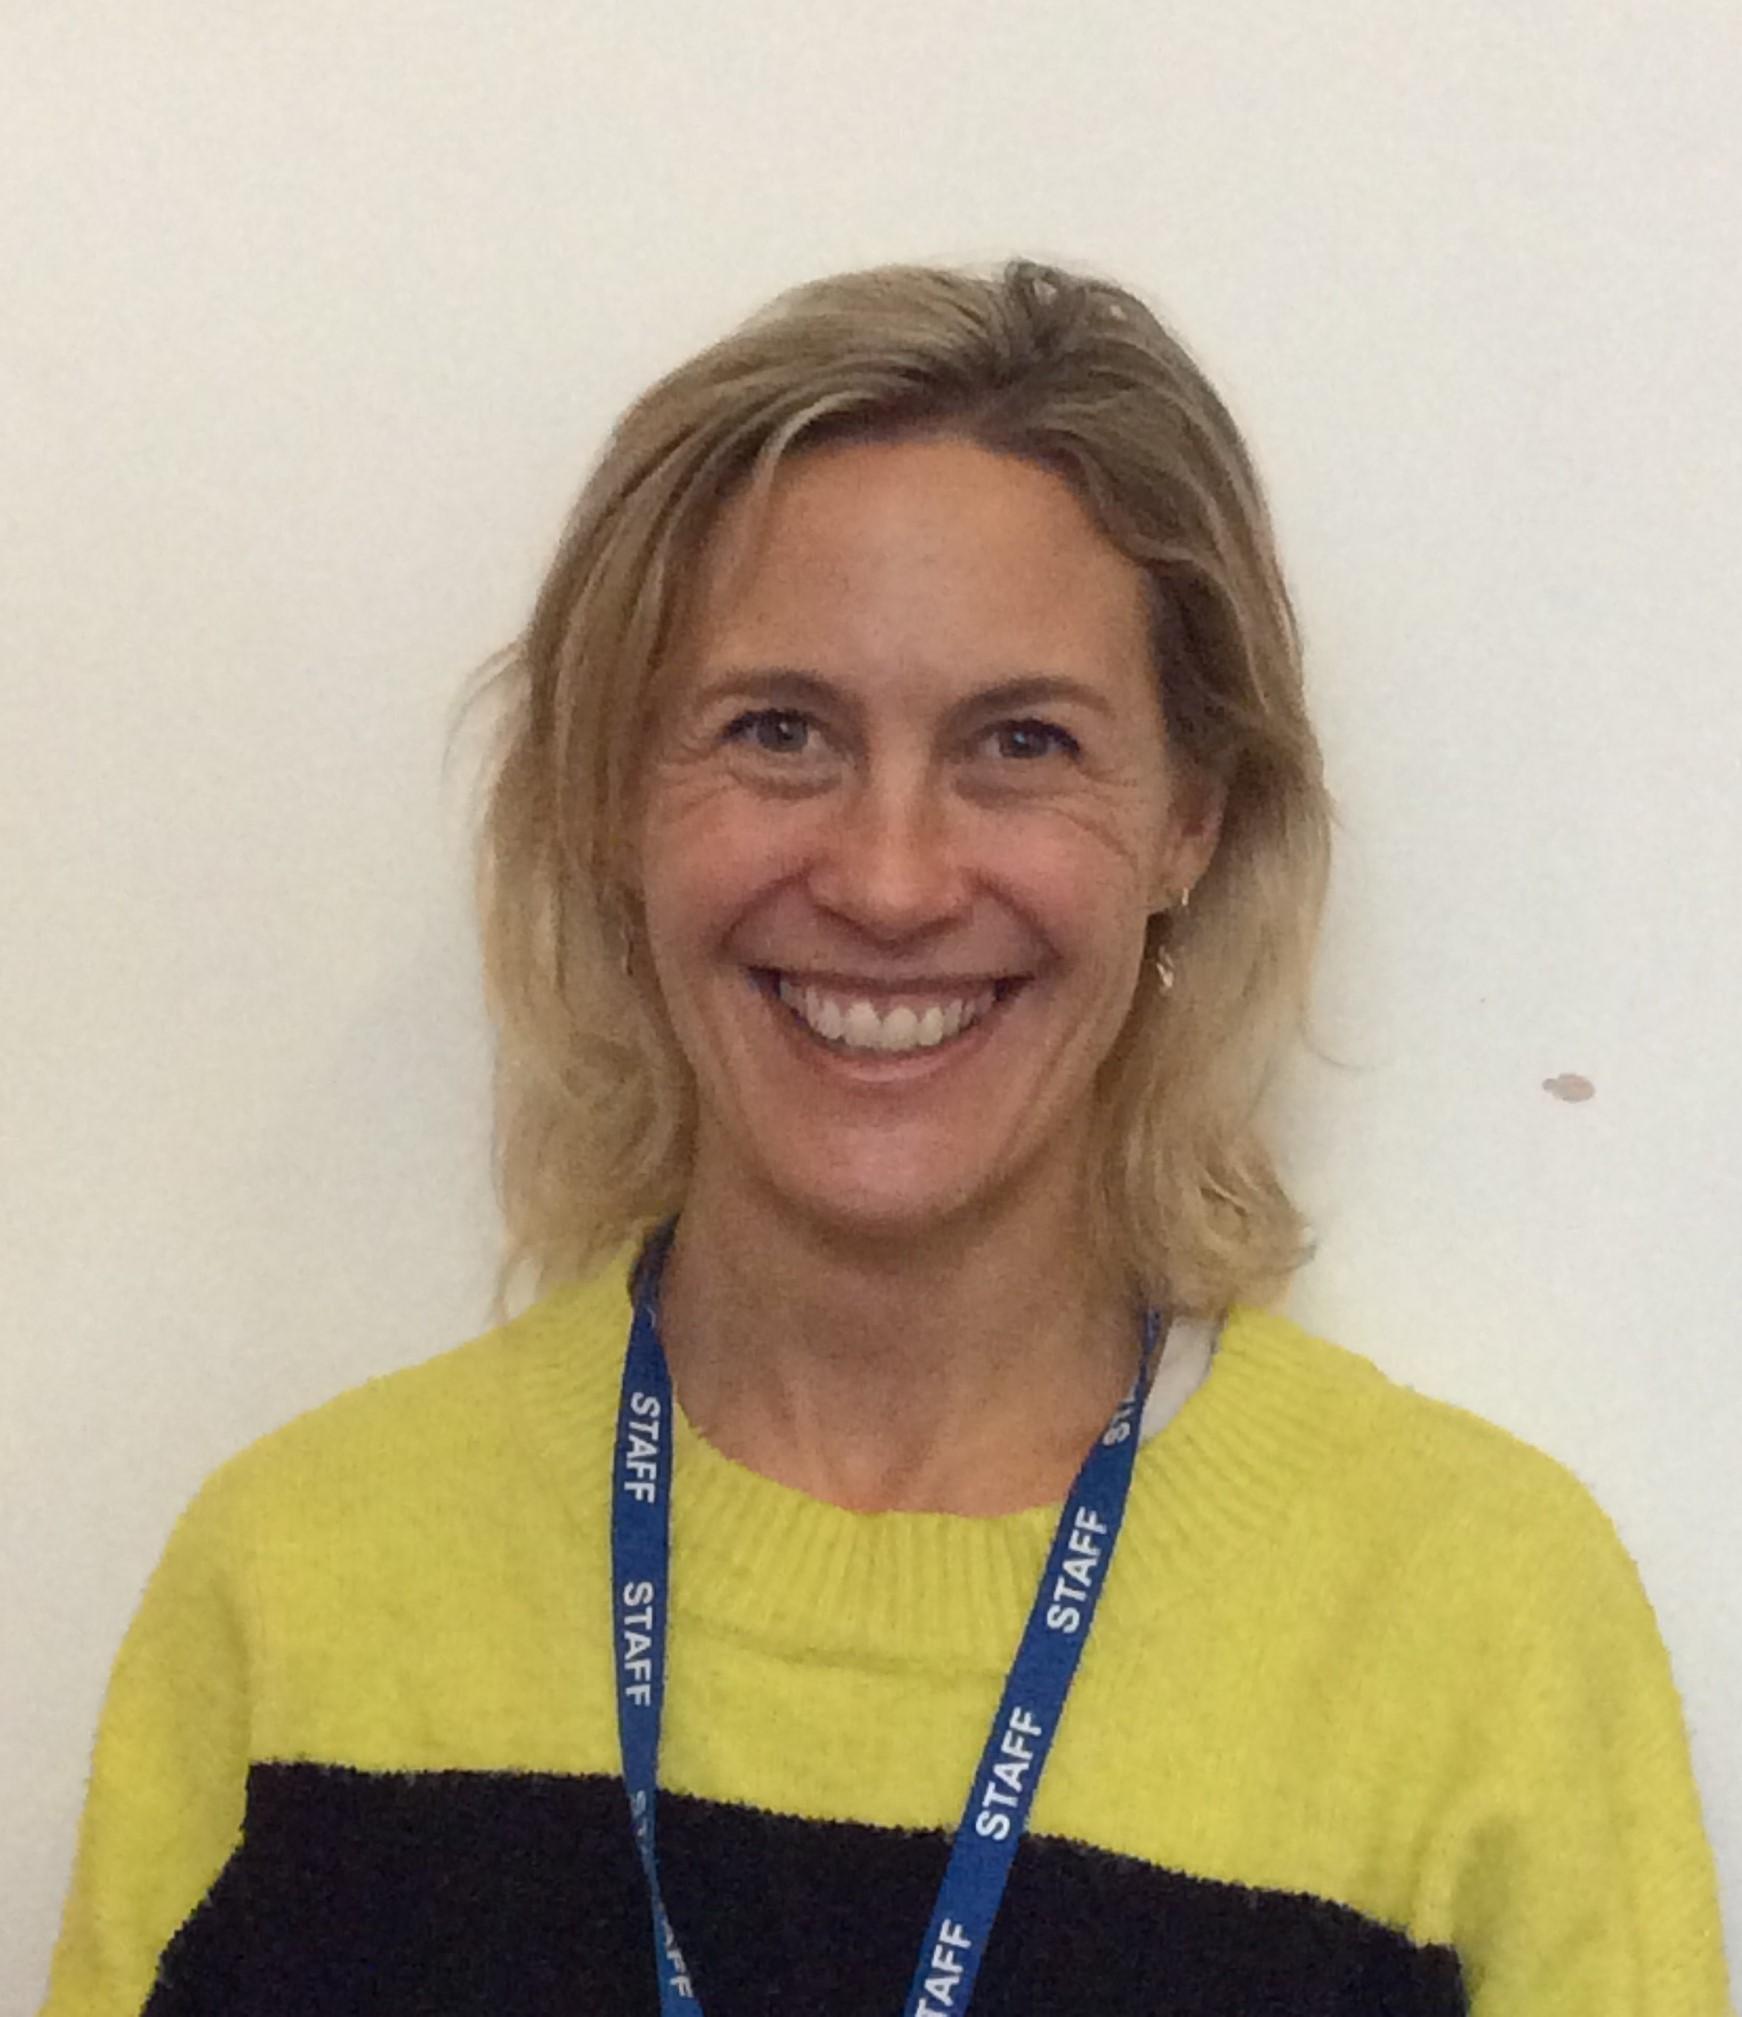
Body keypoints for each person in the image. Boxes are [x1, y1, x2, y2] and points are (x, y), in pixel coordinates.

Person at [41, 260, 1731, 2016]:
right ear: (615, 797)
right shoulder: (298, 1591)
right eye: (779, 732)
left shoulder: (1479, 1634)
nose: (890, 879)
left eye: (1021, 741)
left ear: (1191, 823)